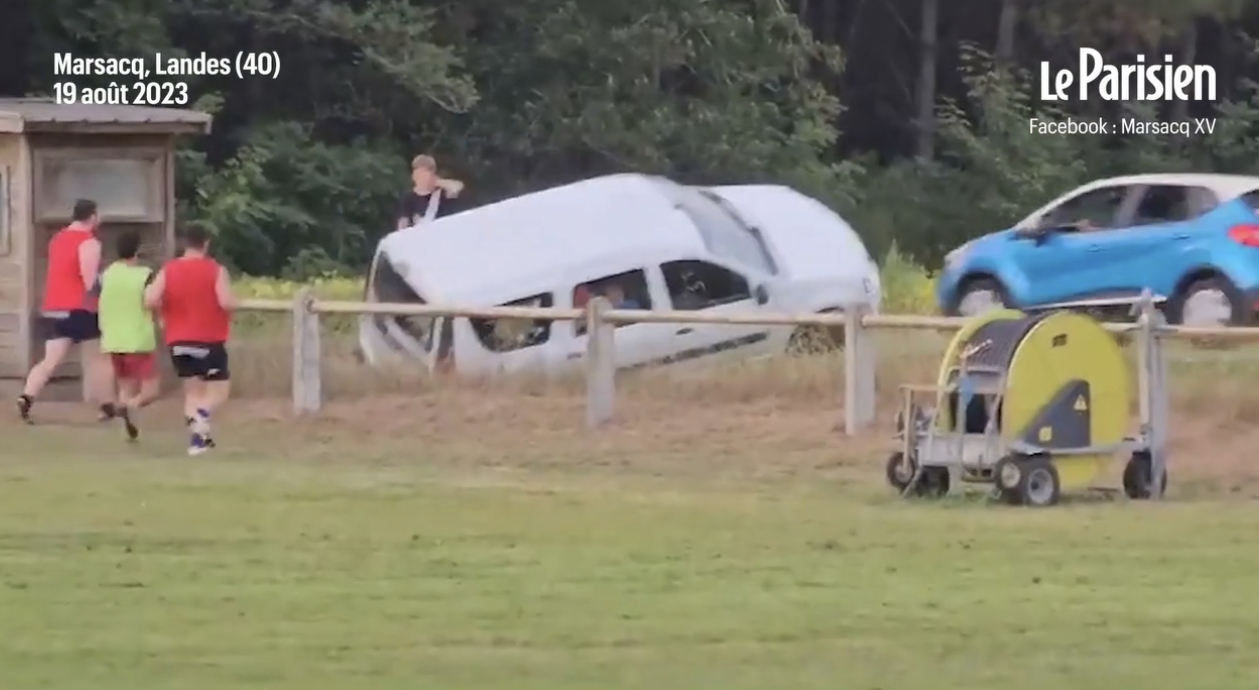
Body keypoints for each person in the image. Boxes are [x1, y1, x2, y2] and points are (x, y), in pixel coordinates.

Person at [17, 199, 112, 423]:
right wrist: (104, 287)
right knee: (98, 359)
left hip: (54, 307)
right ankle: (106, 405)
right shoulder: (89, 242)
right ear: (91, 216)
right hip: (80, 308)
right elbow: (89, 281)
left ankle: (26, 397)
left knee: (50, 360)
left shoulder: (57, 239)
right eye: (98, 215)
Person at [144, 223, 235, 455]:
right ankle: (202, 419)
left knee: (193, 393)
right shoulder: (215, 270)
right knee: (219, 392)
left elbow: (150, 298)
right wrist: (236, 303)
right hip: (209, 339)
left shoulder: (169, 270)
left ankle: (198, 441)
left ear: (185, 243)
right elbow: (225, 302)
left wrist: (164, 311)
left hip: (178, 340)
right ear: (206, 243)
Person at [98, 230, 160, 441]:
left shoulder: (107, 274)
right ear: (138, 250)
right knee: (150, 391)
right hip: (138, 339)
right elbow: (152, 301)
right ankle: (128, 408)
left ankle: (127, 427)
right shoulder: (144, 275)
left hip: (113, 340)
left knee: (125, 386)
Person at [395, 154, 466, 229]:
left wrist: (437, 182)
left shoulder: (442, 193)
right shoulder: (408, 197)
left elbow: (457, 187)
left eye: (425, 172)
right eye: (419, 173)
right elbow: (403, 223)